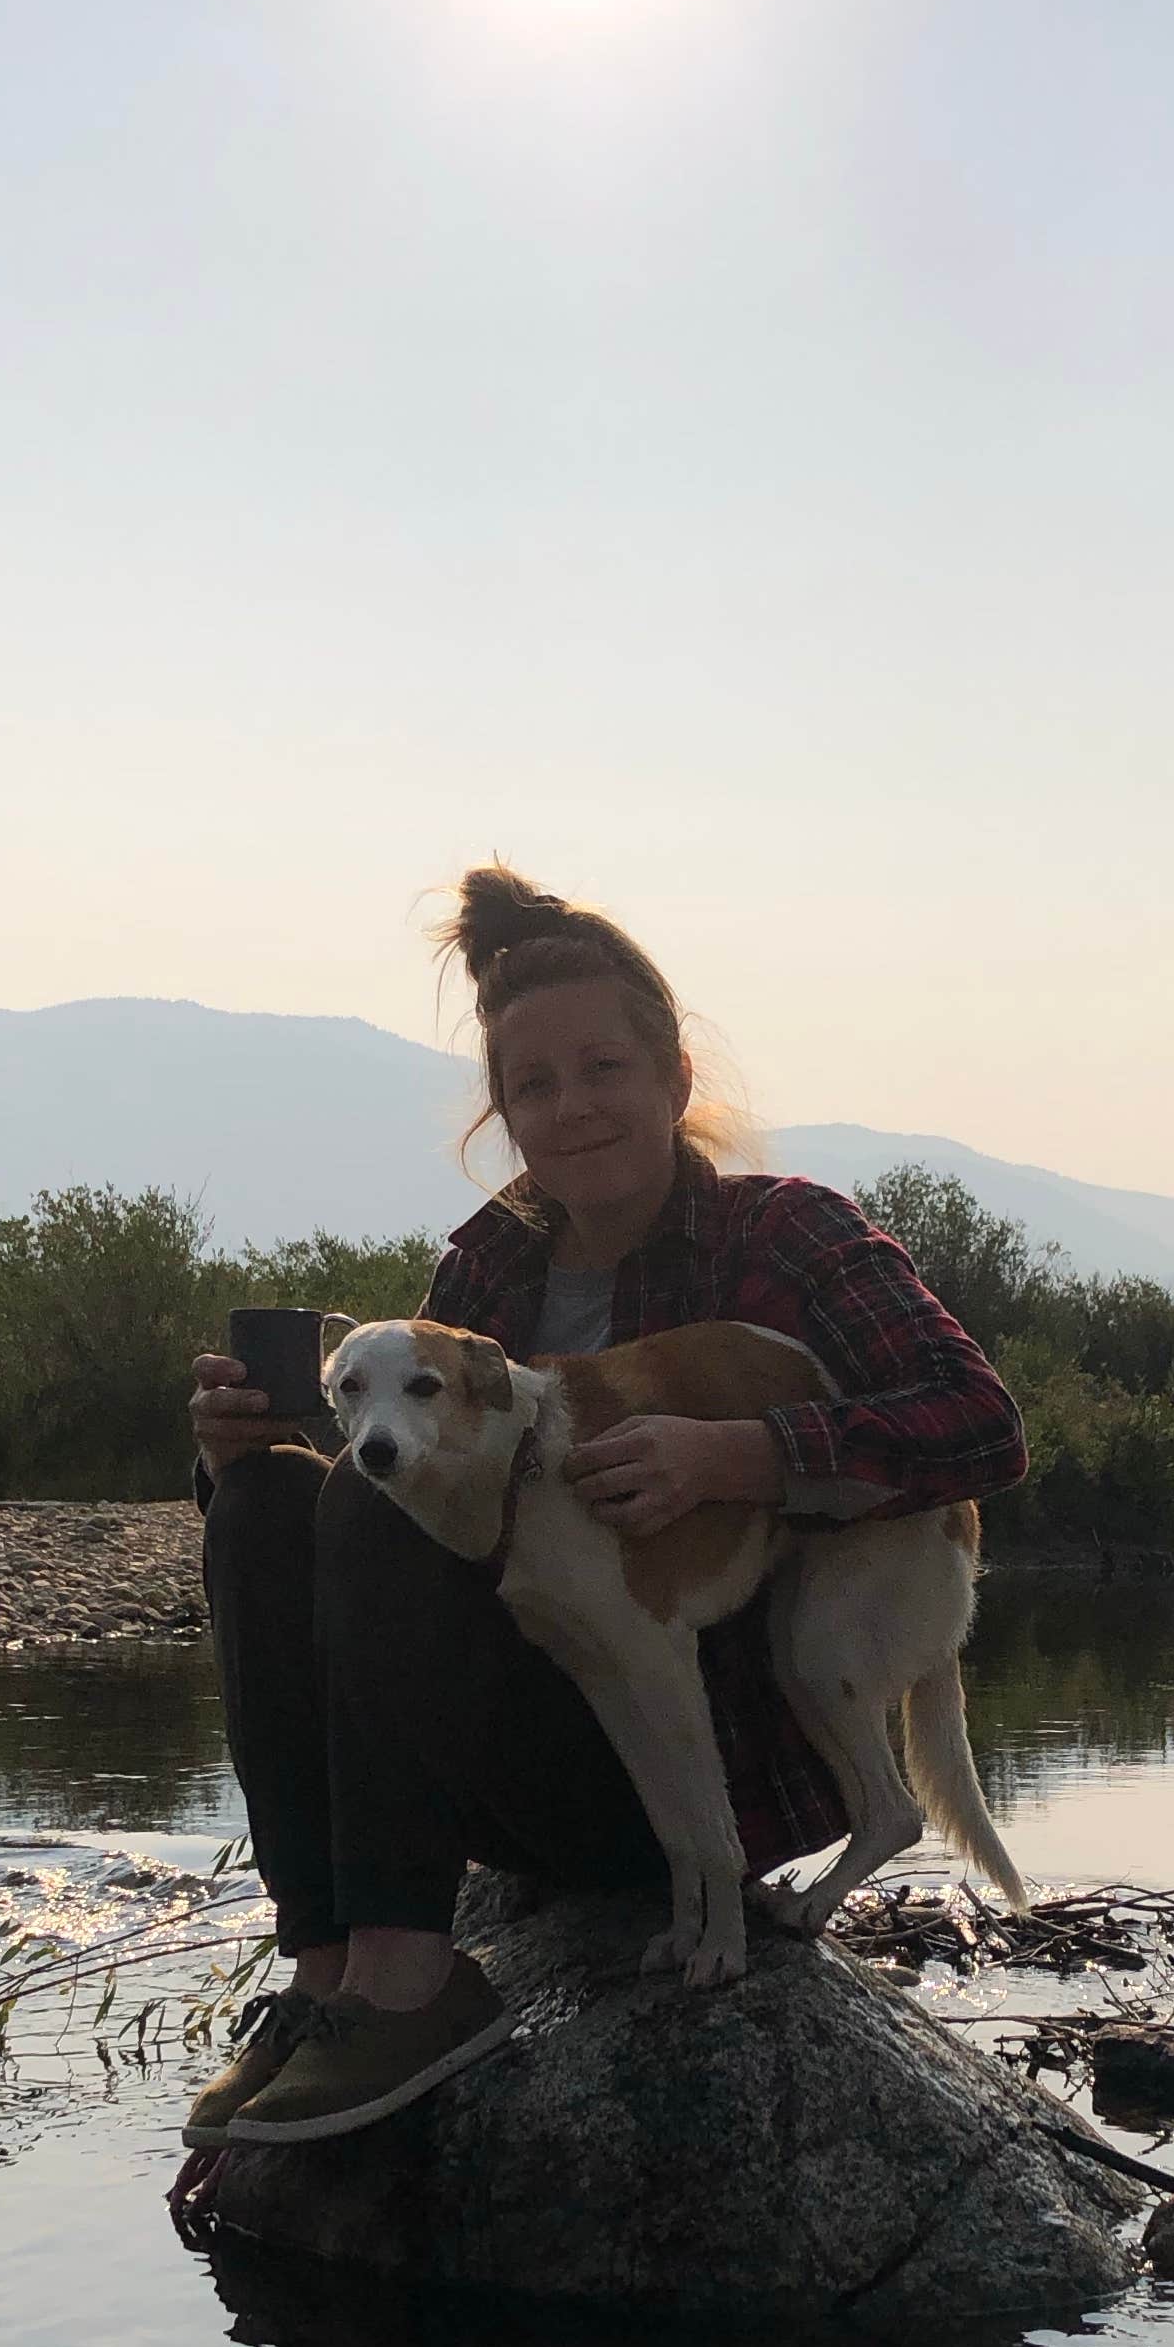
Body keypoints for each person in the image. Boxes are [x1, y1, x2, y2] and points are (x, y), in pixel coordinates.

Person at [184, 865, 1028, 2146]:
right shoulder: (489, 1263)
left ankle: (413, 1984)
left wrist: (742, 1453)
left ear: (674, 1076)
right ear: (506, 1112)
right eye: (535, 1085)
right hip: (525, 1749)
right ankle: (326, 1980)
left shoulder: (789, 1237)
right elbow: (411, 1509)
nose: (571, 1108)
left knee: (355, 1512)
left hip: (704, 1768)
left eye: (603, 1070)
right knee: (270, 1507)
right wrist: (234, 1450)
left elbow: (981, 1427)